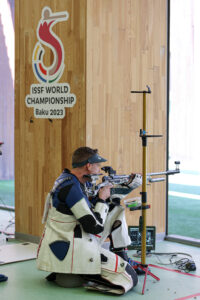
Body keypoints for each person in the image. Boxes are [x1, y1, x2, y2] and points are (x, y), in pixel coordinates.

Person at [37, 147, 143, 295]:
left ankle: (121, 256)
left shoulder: (71, 180)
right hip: (73, 246)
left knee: (115, 209)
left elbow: (101, 201)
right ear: (88, 165)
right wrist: (101, 199)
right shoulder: (71, 188)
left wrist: (129, 186)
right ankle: (89, 275)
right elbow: (94, 227)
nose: (99, 169)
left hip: (73, 236)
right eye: (97, 165)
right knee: (130, 277)